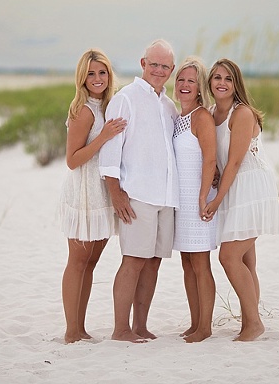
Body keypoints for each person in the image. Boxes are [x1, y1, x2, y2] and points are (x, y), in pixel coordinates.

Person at [99, 39, 180, 342]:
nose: (159, 70)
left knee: (153, 262)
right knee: (133, 260)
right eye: (154, 64)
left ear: (171, 70)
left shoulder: (168, 105)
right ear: (143, 63)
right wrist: (115, 192)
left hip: (165, 197)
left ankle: (140, 326)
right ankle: (120, 329)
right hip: (136, 196)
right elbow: (111, 149)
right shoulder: (126, 98)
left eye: (165, 66)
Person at [202, 58, 279, 342]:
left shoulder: (242, 113)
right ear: (209, 82)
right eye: (217, 78)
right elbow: (218, 159)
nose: (222, 83)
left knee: (229, 256)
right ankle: (249, 320)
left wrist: (216, 200)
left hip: (251, 187)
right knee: (246, 260)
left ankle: (254, 323)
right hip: (233, 185)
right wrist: (213, 175)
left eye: (228, 79)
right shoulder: (211, 113)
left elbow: (235, 163)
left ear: (236, 84)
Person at [59, 49, 127, 344]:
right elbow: (72, 160)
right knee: (77, 261)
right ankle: (72, 331)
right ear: (82, 78)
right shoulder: (84, 109)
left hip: (102, 192)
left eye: (102, 72)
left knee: (91, 262)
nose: (97, 78)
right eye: (91, 73)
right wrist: (103, 137)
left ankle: (80, 328)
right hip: (84, 191)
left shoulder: (107, 106)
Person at [171, 56, 218, 343]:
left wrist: (202, 197)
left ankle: (206, 327)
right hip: (182, 200)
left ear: (200, 87)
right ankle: (195, 322)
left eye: (191, 80)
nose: (185, 85)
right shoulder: (178, 118)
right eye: (181, 79)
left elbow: (210, 158)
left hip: (198, 198)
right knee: (187, 262)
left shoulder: (202, 116)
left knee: (201, 263)